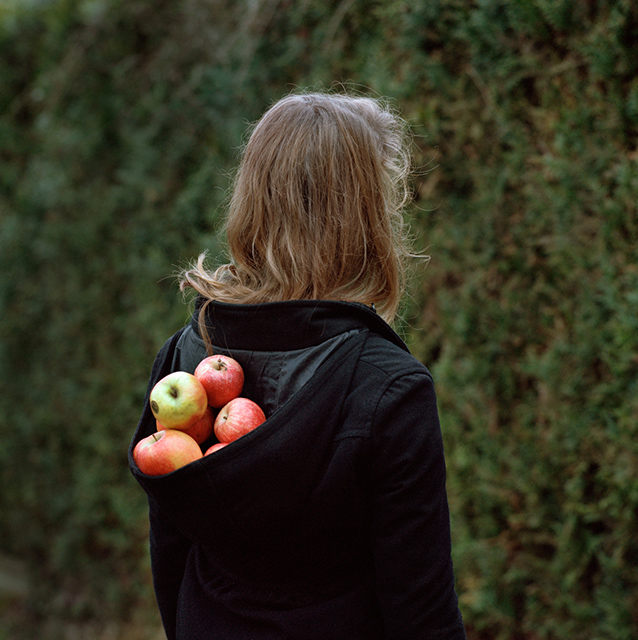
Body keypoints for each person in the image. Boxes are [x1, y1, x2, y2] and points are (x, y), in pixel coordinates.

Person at [129, 91, 467, 640]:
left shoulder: (187, 359)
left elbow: (169, 555)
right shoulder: (388, 388)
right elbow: (421, 610)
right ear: (367, 219)